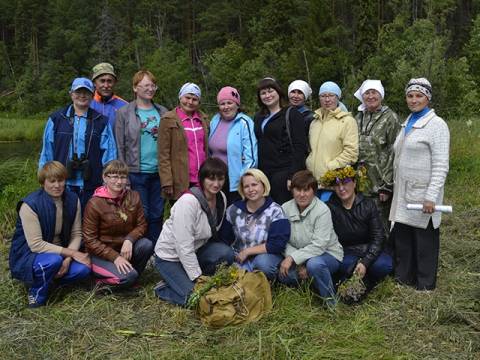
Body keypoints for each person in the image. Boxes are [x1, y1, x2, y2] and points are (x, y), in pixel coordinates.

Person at [389, 78, 450, 291]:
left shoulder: (436, 125)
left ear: (428, 98)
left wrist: (431, 196)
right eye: (410, 96)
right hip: (404, 192)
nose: (414, 100)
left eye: (419, 96)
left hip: (423, 194)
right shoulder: (408, 122)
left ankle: (425, 286)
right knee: (404, 237)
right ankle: (404, 279)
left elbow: (441, 165)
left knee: (424, 241)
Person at [153, 158, 235, 306]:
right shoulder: (188, 202)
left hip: (196, 251)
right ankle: (163, 288)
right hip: (170, 257)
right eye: (211, 178)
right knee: (196, 300)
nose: (216, 184)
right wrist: (198, 278)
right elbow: (183, 246)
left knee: (226, 253)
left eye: (220, 179)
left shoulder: (221, 198)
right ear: (202, 178)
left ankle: (181, 280)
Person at [9, 161, 91, 308]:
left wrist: (67, 259)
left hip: (61, 254)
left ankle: (50, 281)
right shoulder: (29, 205)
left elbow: (77, 234)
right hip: (30, 255)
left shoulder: (73, 199)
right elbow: (36, 245)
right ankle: (36, 291)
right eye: (52, 181)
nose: (57, 185)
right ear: (43, 182)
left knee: (83, 269)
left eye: (60, 180)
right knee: (53, 261)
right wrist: (72, 253)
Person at [39, 77, 117, 209]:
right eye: (78, 92)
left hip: (92, 183)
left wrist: (109, 179)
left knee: (89, 222)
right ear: (71, 94)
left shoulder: (101, 121)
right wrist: (44, 177)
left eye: (86, 92)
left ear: (92, 95)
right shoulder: (56, 119)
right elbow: (47, 150)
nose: (82, 96)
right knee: (63, 222)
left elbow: (109, 154)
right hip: (61, 183)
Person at [115, 70, 168, 243]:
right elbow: (120, 146)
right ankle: (143, 249)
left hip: (159, 172)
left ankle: (157, 251)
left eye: (153, 85)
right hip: (136, 172)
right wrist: (124, 176)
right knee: (141, 213)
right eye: (146, 85)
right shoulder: (124, 113)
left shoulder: (163, 112)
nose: (150, 88)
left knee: (158, 213)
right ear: (135, 88)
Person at [83, 160, 153, 291]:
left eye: (123, 177)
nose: (119, 182)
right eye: (114, 177)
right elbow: (89, 240)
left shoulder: (134, 196)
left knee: (146, 245)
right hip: (100, 255)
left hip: (124, 249)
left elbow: (142, 225)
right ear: (105, 177)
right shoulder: (94, 203)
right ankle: (97, 282)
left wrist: (129, 239)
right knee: (129, 277)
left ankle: (129, 277)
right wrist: (114, 257)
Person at [322, 166, 392, 291]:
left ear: (354, 183)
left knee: (384, 265)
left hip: (368, 249)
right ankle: (362, 280)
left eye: (345, 183)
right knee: (343, 266)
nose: (341, 188)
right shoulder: (329, 207)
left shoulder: (368, 204)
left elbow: (378, 236)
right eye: (337, 185)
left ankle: (364, 277)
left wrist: (365, 261)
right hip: (346, 253)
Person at [278, 170, 343, 307]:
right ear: (292, 190)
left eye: (306, 190)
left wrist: (293, 259)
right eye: (298, 190)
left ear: (314, 191)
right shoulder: (285, 208)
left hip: (327, 254)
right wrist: (297, 261)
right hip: (298, 255)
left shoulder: (322, 210)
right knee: (285, 274)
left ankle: (332, 304)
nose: (302, 194)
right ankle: (310, 294)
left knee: (314, 265)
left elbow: (320, 245)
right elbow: (283, 239)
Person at [220, 169, 290, 280]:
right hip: (239, 257)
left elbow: (277, 244)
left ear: (263, 185)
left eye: (254, 184)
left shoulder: (275, 210)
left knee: (262, 263)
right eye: (246, 186)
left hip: (266, 256)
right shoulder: (234, 210)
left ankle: (268, 282)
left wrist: (248, 252)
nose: (251, 189)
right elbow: (224, 238)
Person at [354, 80, 402, 231]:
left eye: (374, 92)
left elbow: (396, 151)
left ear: (381, 95)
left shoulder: (390, 118)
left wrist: (387, 186)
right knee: (362, 223)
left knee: (380, 226)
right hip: (360, 183)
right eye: (367, 93)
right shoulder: (358, 117)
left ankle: (386, 254)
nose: (370, 96)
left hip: (380, 184)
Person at [253, 77, 307, 204]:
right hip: (263, 173)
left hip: (283, 172)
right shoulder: (258, 117)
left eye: (270, 91)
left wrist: (292, 175)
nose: (267, 95)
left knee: (283, 211)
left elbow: (300, 146)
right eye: (263, 93)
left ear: (278, 92)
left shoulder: (291, 114)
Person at [306, 81, 358, 200]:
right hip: (313, 183)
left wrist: (330, 167)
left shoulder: (347, 121)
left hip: (334, 184)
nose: (327, 99)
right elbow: (311, 149)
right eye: (323, 96)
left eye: (331, 95)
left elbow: (351, 153)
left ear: (338, 98)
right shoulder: (315, 122)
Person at [158, 82, 209, 200]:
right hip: (180, 179)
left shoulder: (203, 119)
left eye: (194, 99)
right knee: (182, 215)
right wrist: (167, 181)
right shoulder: (168, 119)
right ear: (180, 97)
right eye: (187, 97)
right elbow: (163, 154)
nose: (190, 102)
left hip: (201, 178)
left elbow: (206, 149)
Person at [209, 86, 257, 205]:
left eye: (229, 103)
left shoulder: (244, 122)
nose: (226, 107)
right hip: (216, 178)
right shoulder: (215, 120)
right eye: (222, 104)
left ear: (237, 104)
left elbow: (251, 157)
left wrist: (243, 179)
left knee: (235, 215)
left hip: (235, 180)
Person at [90, 62, 128, 128]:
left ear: (114, 82)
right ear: (94, 83)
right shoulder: (87, 104)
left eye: (109, 81)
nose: (106, 85)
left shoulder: (125, 106)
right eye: (102, 81)